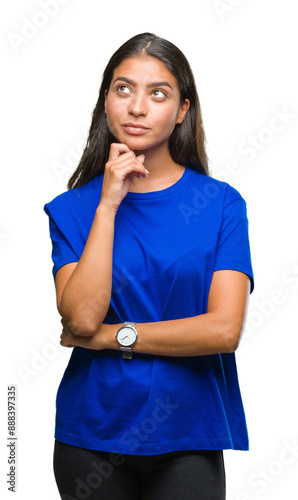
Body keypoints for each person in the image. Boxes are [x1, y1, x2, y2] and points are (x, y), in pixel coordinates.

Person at [44, 32, 254, 500]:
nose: (137, 107)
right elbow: (80, 317)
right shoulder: (71, 209)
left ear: (182, 109)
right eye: (124, 89)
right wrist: (107, 205)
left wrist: (113, 336)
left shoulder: (219, 204)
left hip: (188, 433)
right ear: (105, 101)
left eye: (158, 93)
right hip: (90, 436)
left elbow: (224, 330)